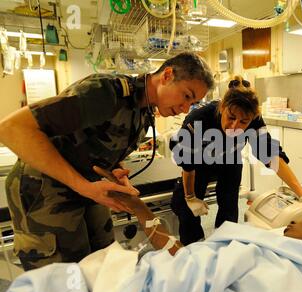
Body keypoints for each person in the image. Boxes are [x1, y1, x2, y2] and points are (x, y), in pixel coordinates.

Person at [0, 51, 214, 270]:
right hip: (43, 189)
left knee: (102, 260)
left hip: (87, 187)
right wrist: (82, 186)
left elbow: (93, 144)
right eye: (187, 96)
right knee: (65, 275)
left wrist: (115, 170)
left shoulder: (144, 112)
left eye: (194, 102)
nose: (186, 109)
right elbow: (12, 128)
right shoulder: (104, 94)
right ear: (167, 75)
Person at [0, 205, 302, 292]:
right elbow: (184, 258)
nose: (295, 220)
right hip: (140, 273)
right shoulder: (263, 245)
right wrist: (141, 211)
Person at [169, 75, 302, 245]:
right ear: (222, 107)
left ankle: (224, 244)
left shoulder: (255, 119)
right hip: (199, 163)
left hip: (230, 161)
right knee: (185, 209)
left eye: (243, 122)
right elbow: (187, 162)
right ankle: (193, 248)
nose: (234, 127)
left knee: (230, 205)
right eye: (231, 118)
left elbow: (270, 154)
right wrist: (190, 197)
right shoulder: (199, 119)